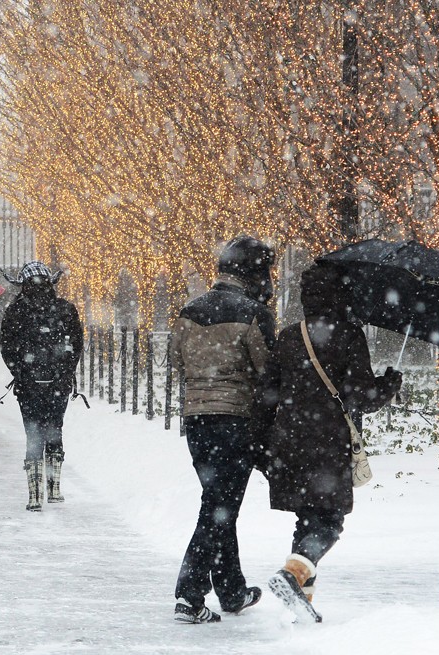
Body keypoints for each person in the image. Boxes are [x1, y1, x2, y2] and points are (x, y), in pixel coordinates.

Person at [257, 264, 401, 623]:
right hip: (327, 442)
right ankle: (293, 575)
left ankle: (301, 600)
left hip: (288, 440)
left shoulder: (289, 336)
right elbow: (360, 397)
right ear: (342, 296)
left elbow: (267, 396)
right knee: (329, 521)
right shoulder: (349, 335)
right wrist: (389, 385)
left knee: (308, 517)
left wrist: (264, 444)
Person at [166, 236, 276, 624]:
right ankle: (190, 594)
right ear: (255, 272)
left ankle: (231, 590)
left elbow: (177, 360)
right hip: (236, 420)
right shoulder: (254, 313)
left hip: (197, 419)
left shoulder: (188, 311)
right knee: (219, 507)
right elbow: (267, 372)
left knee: (218, 503)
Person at [0, 261, 82, 513]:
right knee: (55, 427)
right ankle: (54, 487)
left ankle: (35, 493)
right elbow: (76, 344)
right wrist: (66, 371)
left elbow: (7, 348)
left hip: (28, 384)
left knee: (33, 431)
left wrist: (20, 372)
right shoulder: (65, 309)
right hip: (58, 381)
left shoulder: (15, 311)